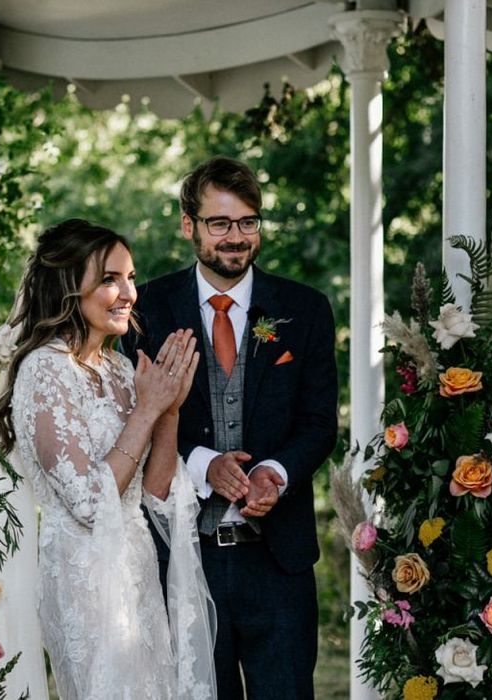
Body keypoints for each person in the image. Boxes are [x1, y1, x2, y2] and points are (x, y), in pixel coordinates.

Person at [123, 157, 338, 699]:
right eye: (219, 223)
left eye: (247, 222)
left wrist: (274, 472)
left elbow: (318, 424)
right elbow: (134, 421)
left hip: (279, 563)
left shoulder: (305, 309)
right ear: (188, 224)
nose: (236, 238)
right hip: (183, 561)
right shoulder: (145, 309)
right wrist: (203, 465)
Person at [0, 219, 216, 700]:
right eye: (110, 279)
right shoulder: (43, 371)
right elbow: (92, 504)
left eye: (131, 277)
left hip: (137, 574)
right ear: (69, 289)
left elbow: (155, 494)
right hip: (83, 579)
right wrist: (148, 410)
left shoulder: (119, 368)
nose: (128, 293)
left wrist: (170, 410)